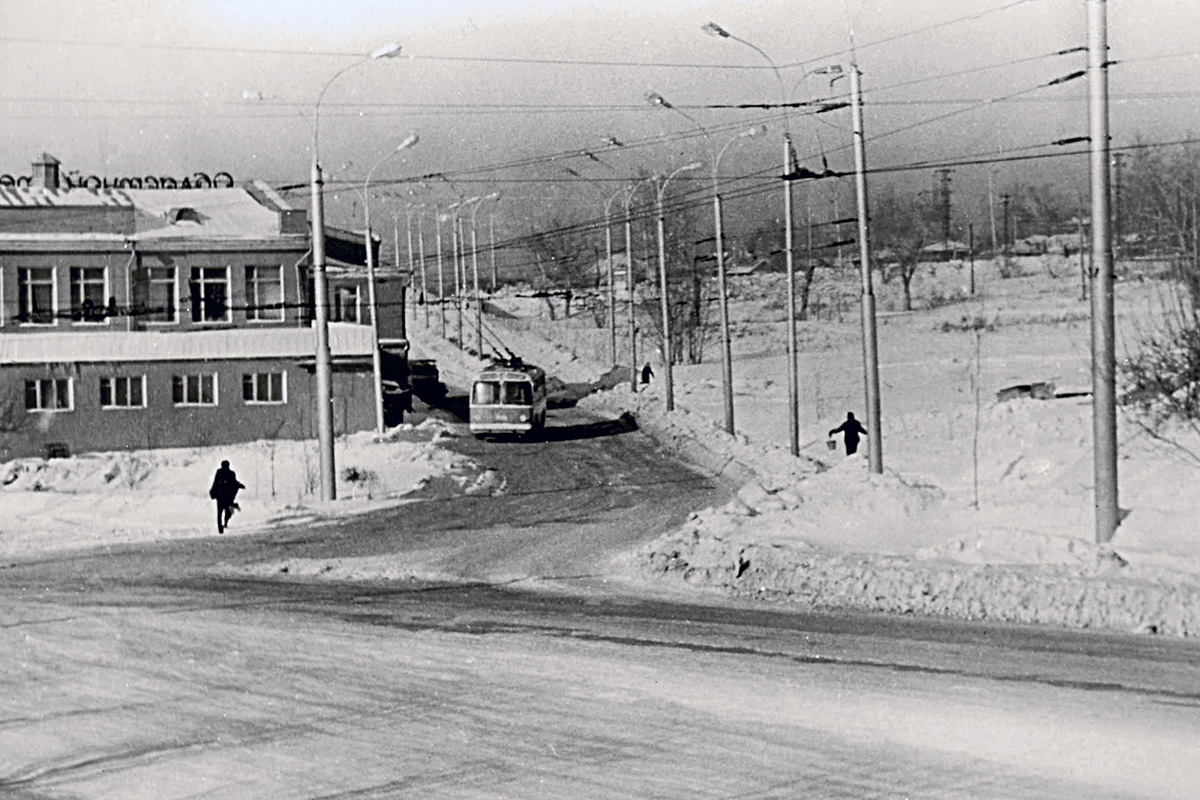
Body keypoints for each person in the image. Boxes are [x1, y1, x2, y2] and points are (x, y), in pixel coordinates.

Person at [209, 460, 245, 534]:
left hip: (225, 496)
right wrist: (213, 491)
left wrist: (239, 485)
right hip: (221, 496)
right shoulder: (220, 473)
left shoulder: (230, 474)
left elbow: (234, 482)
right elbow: (216, 482)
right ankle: (220, 527)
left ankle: (223, 525)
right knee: (222, 512)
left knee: (223, 512)